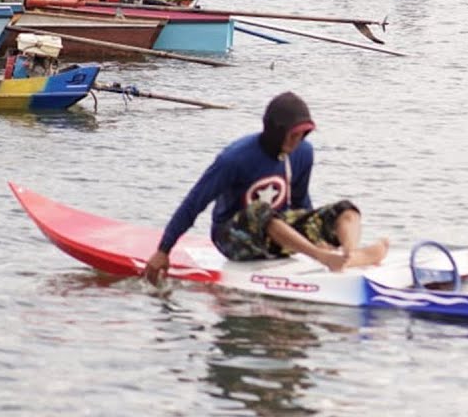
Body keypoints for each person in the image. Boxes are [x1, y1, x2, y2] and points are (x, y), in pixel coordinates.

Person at [142, 92, 389, 285]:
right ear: (276, 132)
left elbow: (301, 203)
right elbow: (193, 204)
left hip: (276, 234)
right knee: (259, 211)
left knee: (346, 210)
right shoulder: (234, 159)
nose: (298, 141)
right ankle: (325, 259)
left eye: (303, 135)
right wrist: (163, 250)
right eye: (293, 135)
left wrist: (318, 233)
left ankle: (350, 255)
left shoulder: (304, 152)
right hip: (233, 239)